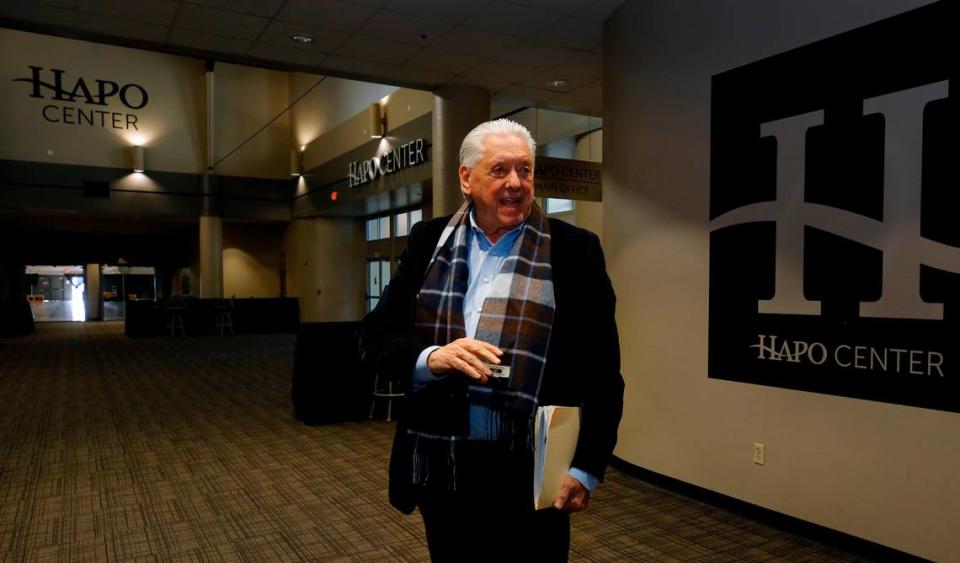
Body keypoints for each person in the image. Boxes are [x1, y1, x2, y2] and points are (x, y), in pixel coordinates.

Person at [361, 119, 623, 562]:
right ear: (466, 178)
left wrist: (586, 467)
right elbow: (375, 336)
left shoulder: (575, 250)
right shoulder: (429, 241)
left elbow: (602, 371)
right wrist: (432, 357)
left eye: (525, 170)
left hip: (532, 467)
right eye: (499, 170)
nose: (516, 184)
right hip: (443, 464)